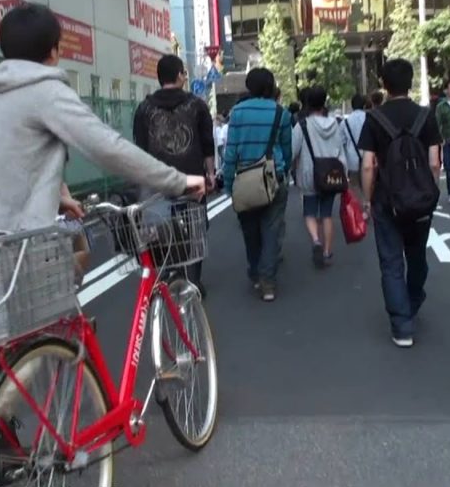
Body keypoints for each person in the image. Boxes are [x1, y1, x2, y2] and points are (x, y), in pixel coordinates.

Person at [0, 3, 206, 477]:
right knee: (43, 331)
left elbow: (5, 156)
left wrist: (58, 195)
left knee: (13, 337)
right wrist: (177, 180)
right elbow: (107, 147)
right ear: (54, 50)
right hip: (10, 246)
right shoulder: (46, 90)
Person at [358, 59, 442, 347]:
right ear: (410, 81)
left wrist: (367, 199)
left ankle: (402, 325)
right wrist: (429, 192)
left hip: (386, 200)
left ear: (384, 84)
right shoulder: (425, 116)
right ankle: (413, 299)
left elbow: (368, 165)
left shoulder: (374, 118)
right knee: (417, 257)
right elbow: (434, 163)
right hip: (421, 202)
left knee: (391, 261)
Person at [133, 54, 216, 294]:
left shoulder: (144, 109)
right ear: (180, 75)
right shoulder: (197, 105)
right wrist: (210, 173)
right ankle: (193, 280)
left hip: (156, 181)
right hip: (191, 178)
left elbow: (139, 147)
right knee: (195, 227)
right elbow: (207, 144)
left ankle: (172, 272)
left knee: (161, 228)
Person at [222, 68, 292, 302]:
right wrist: (284, 170)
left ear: (249, 86)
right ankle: (268, 282)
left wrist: (228, 183)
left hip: (244, 180)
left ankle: (255, 272)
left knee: (250, 231)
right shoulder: (281, 113)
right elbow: (287, 149)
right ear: (271, 86)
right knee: (272, 231)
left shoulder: (237, 113)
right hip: (274, 177)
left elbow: (230, 151)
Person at [291, 86, 347, 268]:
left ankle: (316, 240)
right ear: (324, 102)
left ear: (307, 103)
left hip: (310, 174)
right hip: (331, 174)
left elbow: (292, 151)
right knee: (326, 215)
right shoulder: (336, 124)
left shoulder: (302, 126)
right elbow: (341, 149)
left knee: (309, 212)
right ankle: (327, 252)